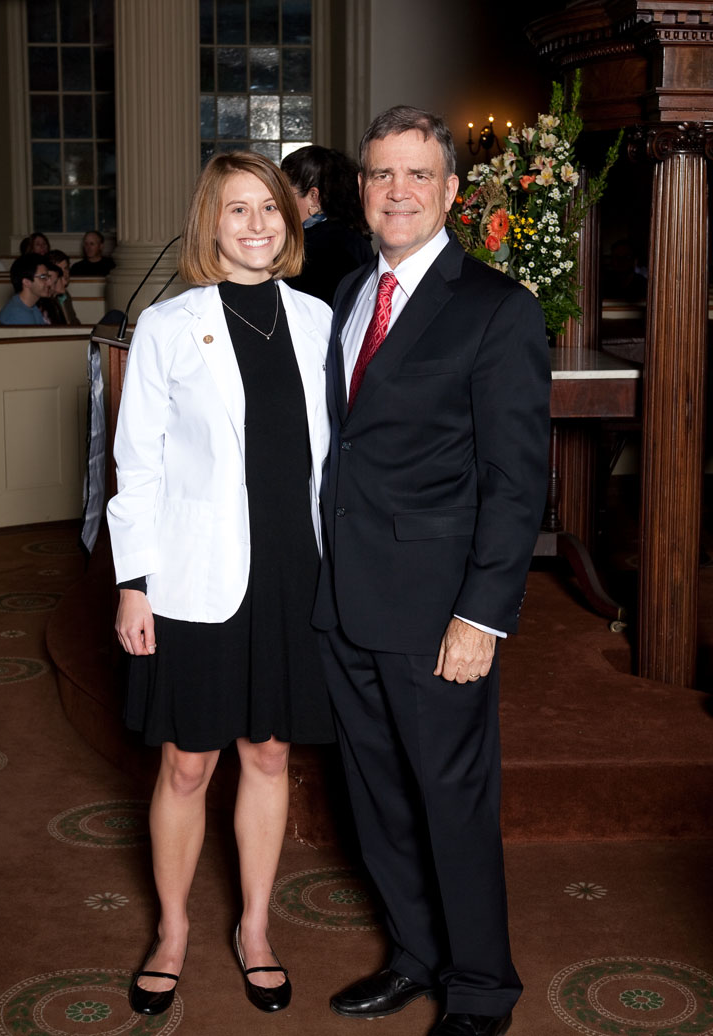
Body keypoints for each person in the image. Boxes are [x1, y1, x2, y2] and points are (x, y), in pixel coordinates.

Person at [312, 106, 551, 1036]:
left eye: (419, 174)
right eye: (382, 174)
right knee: (376, 800)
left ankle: (481, 986)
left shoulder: (497, 307)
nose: (398, 191)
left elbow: (515, 481)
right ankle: (416, 954)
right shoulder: (346, 293)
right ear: (360, 190)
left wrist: (481, 616)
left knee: (452, 804)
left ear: (452, 191)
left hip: (438, 613)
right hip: (343, 601)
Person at [107, 151, 334, 1017]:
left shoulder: (319, 319)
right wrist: (134, 583)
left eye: (269, 207)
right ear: (211, 221)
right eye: (237, 209)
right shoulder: (169, 325)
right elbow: (138, 463)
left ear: (290, 217)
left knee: (269, 754)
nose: (256, 224)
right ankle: (171, 931)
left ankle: (257, 928)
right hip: (195, 573)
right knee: (188, 762)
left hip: (294, 568)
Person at [281, 145, 373, 305]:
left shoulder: (321, 249)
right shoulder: (352, 235)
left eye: (285, 193)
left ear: (314, 197)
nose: (278, 200)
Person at [0, 254, 49, 325]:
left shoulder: (32, 307)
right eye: (43, 277)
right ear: (26, 282)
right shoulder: (17, 314)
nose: (48, 282)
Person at [48, 249, 81, 324]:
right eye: (59, 270)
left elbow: (73, 321)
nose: (64, 274)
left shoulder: (66, 295)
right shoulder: (46, 299)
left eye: (66, 268)